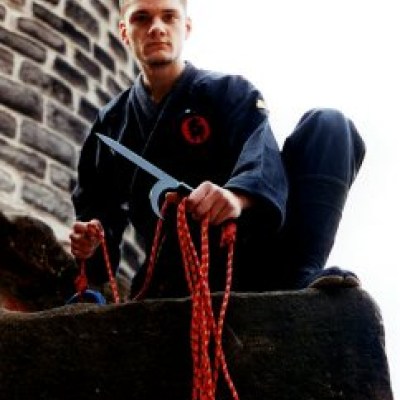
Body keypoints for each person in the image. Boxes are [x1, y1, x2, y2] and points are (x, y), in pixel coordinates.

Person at [69, 0, 365, 300]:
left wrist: (236, 197)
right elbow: (97, 208)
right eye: (142, 18)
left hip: (257, 250)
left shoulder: (229, 91)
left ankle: (303, 275)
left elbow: (260, 156)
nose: (156, 28)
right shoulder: (112, 123)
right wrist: (92, 242)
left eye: (169, 17)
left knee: (330, 126)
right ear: (124, 31)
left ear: (186, 27)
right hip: (177, 272)